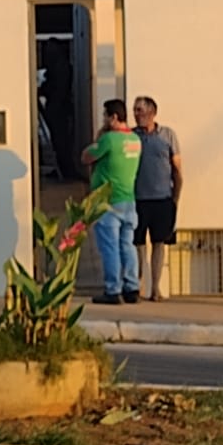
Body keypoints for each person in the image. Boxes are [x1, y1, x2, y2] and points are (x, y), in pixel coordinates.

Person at [81, 98, 143, 305]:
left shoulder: (108, 140)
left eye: (105, 116)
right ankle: (132, 287)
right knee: (127, 245)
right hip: (129, 200)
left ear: (114, 117)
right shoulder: (135, 140)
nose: (104, 119)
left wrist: (98, 139)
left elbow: (86, 157)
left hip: (108, 201)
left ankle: (113, 289)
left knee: (110, 247)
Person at [132, 95, 184, 302]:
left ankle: (155, 288)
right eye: (135, 110)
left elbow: (177, 169)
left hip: (162, 198)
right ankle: (137, 286)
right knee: (137, 244)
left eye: (140, 110)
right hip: (138, 198)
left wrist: (175, 198)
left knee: (159, 243)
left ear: (152, 113)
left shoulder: (167, 135)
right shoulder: (131, 137)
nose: (136, 115)